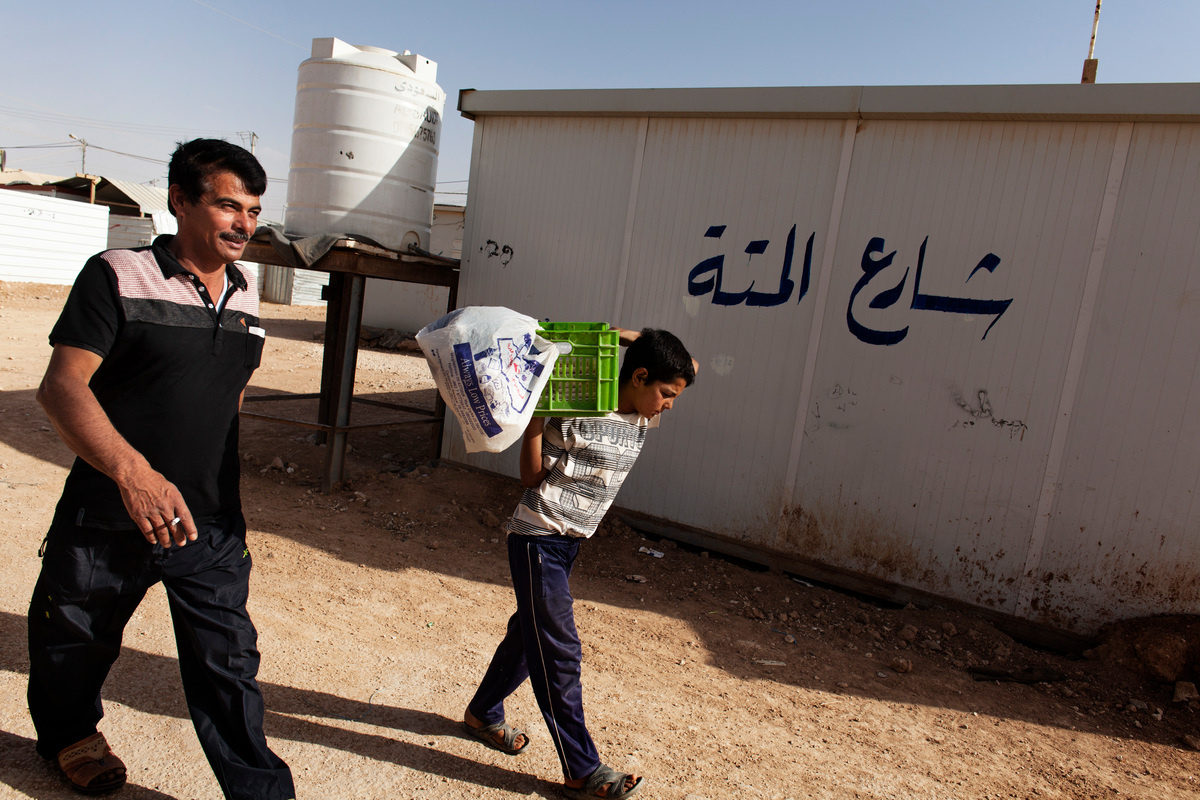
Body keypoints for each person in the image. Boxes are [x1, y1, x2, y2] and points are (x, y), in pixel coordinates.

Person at [26, 138, 295, 799]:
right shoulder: (116, 274)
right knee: (74, 639)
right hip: (108, 511)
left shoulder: (246, 294)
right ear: (180, 200)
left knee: (228, 664)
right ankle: (71, 738)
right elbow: (62, 386)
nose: (243, 224)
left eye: (254, 211)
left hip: (207, 522)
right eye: (228, 206)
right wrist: (134, 473)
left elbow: (227, 398)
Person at [462, 328, 697, 800]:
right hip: (537, 537)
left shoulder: (642, 415)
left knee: (528, 637)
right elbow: (530, 477)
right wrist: (535, 418)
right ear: (639, 377)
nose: (669, 405)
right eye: (666, 394)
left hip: (568, 544)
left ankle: (482, 713)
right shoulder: (575, 410)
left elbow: (690, 363)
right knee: (559, 651)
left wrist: (617, 336)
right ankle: (582, 771)